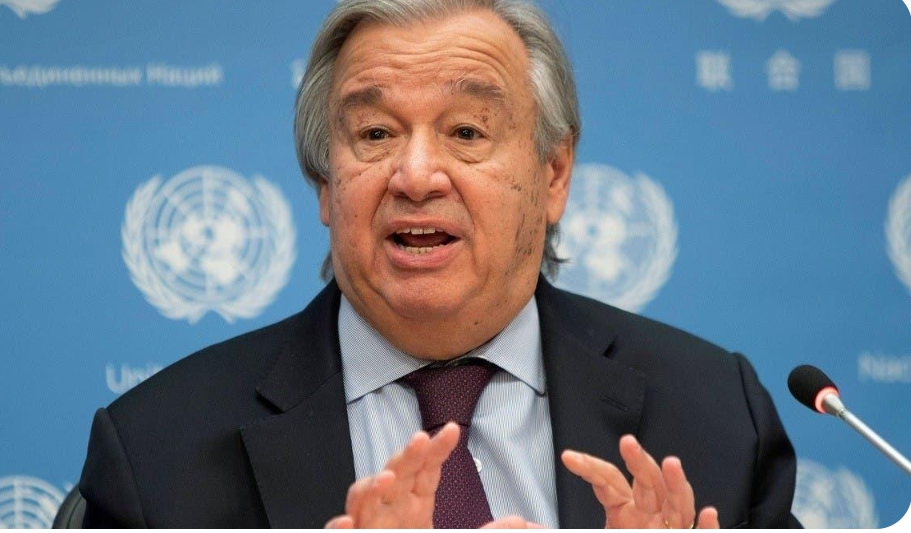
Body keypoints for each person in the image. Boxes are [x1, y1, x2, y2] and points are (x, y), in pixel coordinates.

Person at [77, 0, 802, 528]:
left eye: (465, 132)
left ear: (553, 174)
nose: (416, 175)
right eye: (374, 133)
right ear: (325, 183)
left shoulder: (714, 417)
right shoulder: (156, 451)